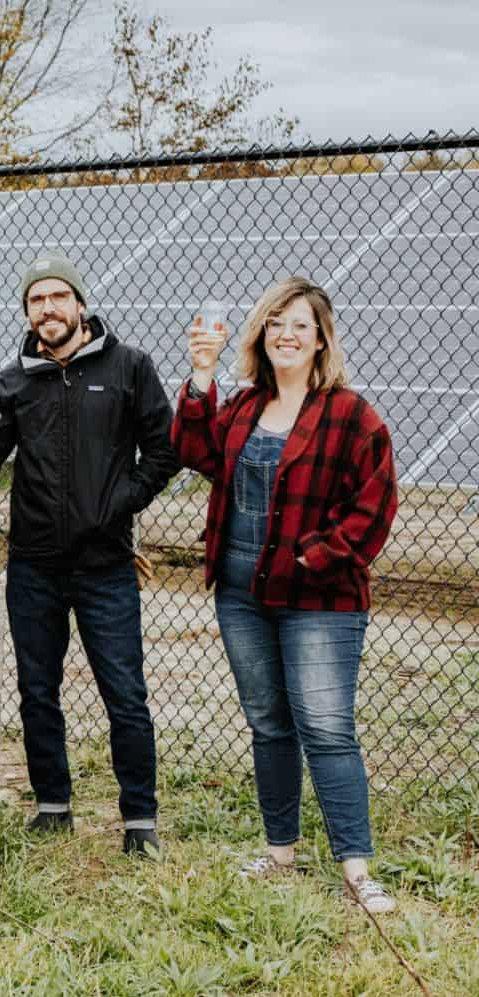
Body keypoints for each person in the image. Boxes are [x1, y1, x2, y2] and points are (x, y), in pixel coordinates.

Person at [174, 276, 398, 913]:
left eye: (300, 324)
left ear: (322, 339)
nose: (286, 334)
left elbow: (374, 506)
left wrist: (313, 560)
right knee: (269, 726)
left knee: (327, 729)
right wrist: (199, 376)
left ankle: (356, 866)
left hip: (319, 599)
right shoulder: (244, 406)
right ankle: (280, 852)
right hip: (241, 594)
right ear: (261, 335)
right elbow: (194, 450)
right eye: (275, 323)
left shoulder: (351, 415)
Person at [0, 251, 178, 856]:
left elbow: (164, 450)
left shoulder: (130, 366)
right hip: (33, 565)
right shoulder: (12, 381)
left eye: (58, 297)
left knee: (125, 694)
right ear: (27, 312)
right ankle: (53, 805)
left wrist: (119, 501)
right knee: (37, 690)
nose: (48, 309)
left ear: (80, 305)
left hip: (106, 565)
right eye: (36, 300)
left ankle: (139, 820)